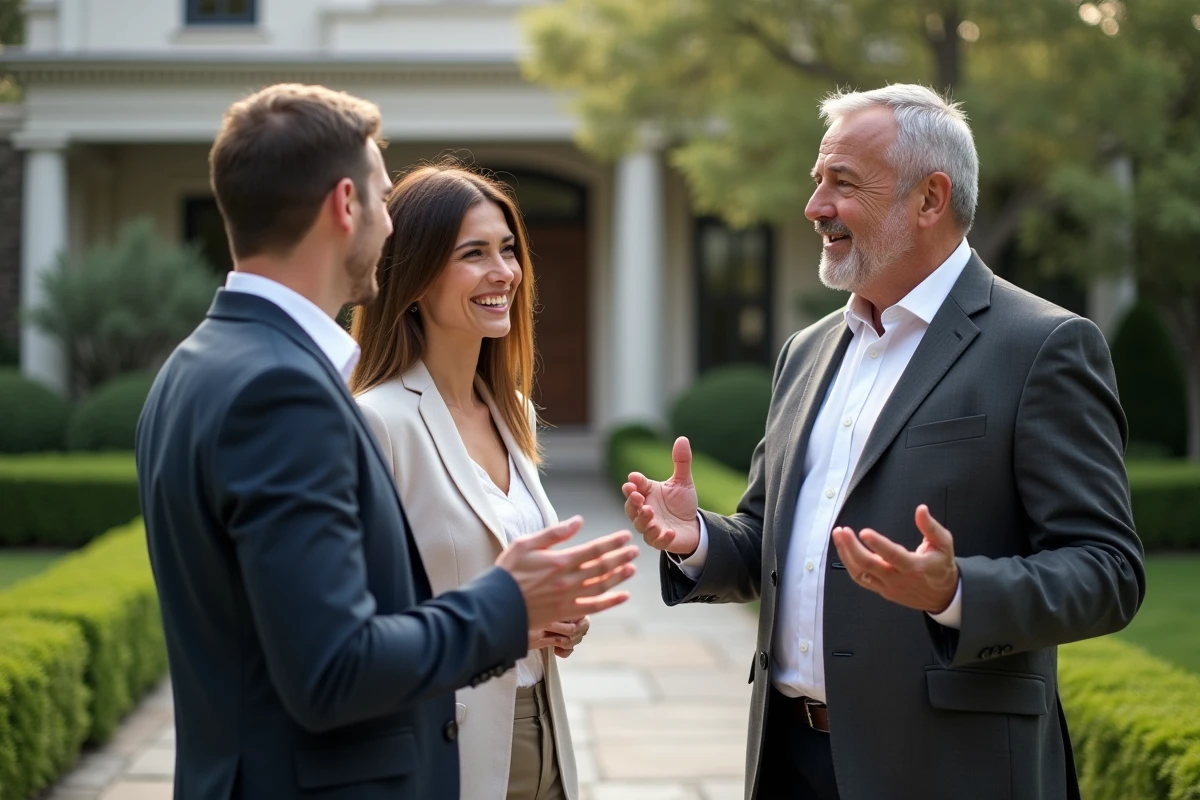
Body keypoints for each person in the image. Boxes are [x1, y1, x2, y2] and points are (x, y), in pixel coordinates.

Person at [622, 84, 1145, 800]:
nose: (814, 208)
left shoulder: (1043, 347)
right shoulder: (805, 353)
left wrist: (958, 590)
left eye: (842, 183)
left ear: (930, 199)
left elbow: (1108, 571)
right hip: (789, 761)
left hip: (951, 770)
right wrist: (696, 541)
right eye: (817, 182)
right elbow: (769, 544)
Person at [136, 84, 638, 800]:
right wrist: (507, 606)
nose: (388, 224)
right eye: (379, 197)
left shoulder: (195, 365)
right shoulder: (282, 392)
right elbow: (332, 669)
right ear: (346, 206)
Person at [350, 163, 581, 800]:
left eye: (507, 250)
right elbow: (355, 625)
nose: (503, 272)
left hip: (544, 734)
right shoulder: (377, 422)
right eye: (473, 253)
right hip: (442, 746)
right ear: (416, 276)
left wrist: (557, 615)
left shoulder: (511, 410)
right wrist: (498, 622)